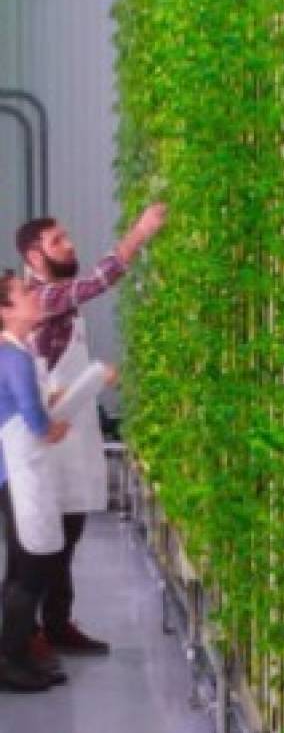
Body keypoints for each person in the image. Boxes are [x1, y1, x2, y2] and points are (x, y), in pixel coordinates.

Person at [7, 202, 166, 658]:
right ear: (34, 256)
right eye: (57, 241)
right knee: (38, 542)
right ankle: (28, 634)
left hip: (68, 429)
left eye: (65, 236)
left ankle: (55, 624)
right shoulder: (41, 298)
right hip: (46, 435)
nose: (69, 244)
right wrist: (141, 232)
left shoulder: (49, 295)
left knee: (68, 529)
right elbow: (98, 281)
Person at [0, 272, 71, 690]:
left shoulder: (15, 352)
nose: (35, 296)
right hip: (19, 472)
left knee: (21, 568)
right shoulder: (15, 357)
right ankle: (9, 660)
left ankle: (19, 652)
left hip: (13, 472)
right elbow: (33, 417)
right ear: (5, 310)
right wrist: (51, 428)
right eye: (24, 293)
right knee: (32, 570)